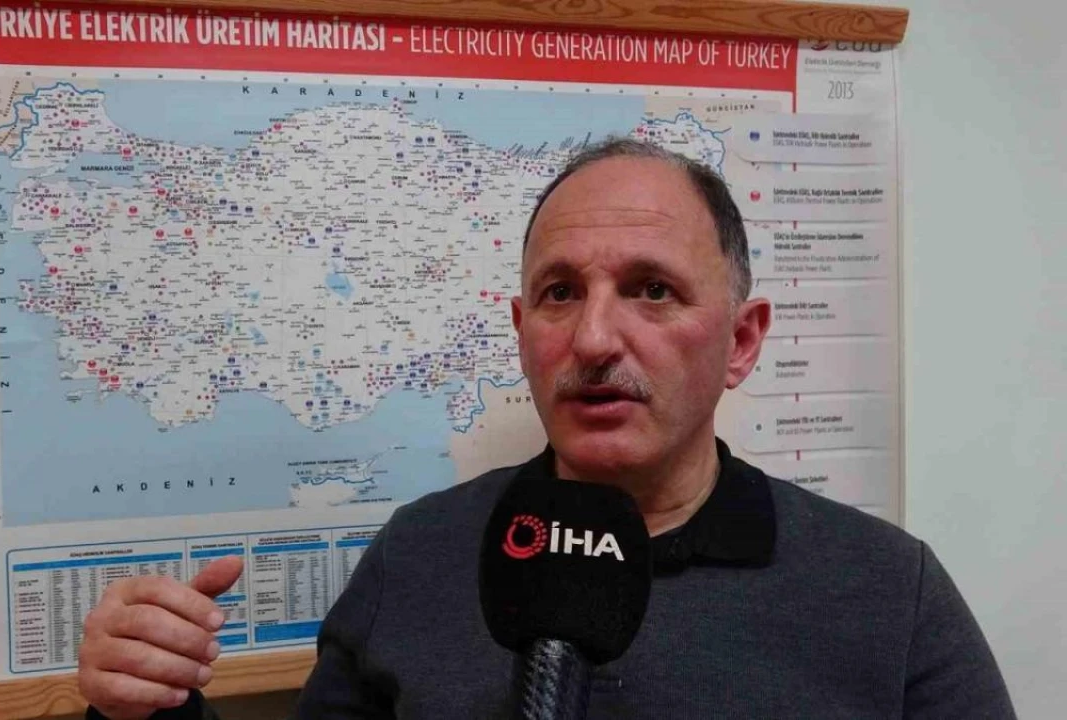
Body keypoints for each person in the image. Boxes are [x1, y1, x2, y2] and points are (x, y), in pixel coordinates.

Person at [78, 139, 1015, 719]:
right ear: (523, 332)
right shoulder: (418, 554)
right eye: (561, 293)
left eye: (653, 290)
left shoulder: (890, 592)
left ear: (741, 341)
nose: (595, 340)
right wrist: (148, 707)